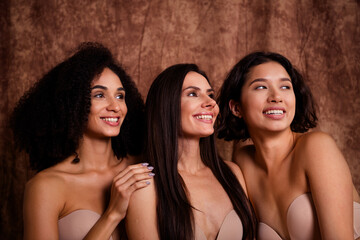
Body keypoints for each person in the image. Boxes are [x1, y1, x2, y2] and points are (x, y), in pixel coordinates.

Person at [10, 42, 154, 240]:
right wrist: (112, 214)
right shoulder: (46, 186)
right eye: (99, 95)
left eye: (120, 96)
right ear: (72, 104)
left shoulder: (142, 167)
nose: (115, 106)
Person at [217, 51, 360, 239]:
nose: (277, 96)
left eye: (285, 87)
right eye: (261, 87)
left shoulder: (316, 147)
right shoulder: (243, 162)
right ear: (236, 108)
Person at [125, 64, 257, 240]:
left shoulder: (232, 173)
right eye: (193, 94)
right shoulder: (145, 186)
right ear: (166, 106)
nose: (211, 103)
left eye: (210, 95)